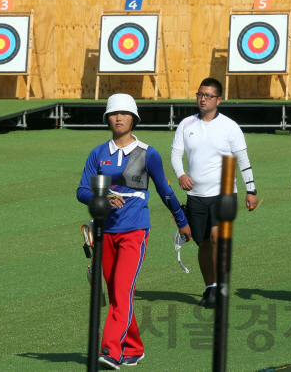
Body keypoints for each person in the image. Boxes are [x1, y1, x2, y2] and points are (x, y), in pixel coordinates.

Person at [77, 94, 191, 370]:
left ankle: (110, 350)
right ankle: (136, 347)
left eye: (124, 114)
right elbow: (82, 190)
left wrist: (181, 220)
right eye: (113, 114)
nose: (118, 118)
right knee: (119, 294)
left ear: (134, 119)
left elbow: (165, 191)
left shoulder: (148, 153)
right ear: (107, 118)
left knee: (123, 288)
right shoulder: (98, 153)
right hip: (104, 233)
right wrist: (99, 199)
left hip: (135, 231)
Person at [171, 77, 258, 308]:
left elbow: (243, 160)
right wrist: (181, 174)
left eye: (208, 96)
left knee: (219, 238)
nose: (202, 99)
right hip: (196, 196)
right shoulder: (185, 124)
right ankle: (210, 287)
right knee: (204, 243)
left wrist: (251, 190)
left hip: (225, 193)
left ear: (218, 99)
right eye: (200, 94)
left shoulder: (230, 126)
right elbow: (175, 154)